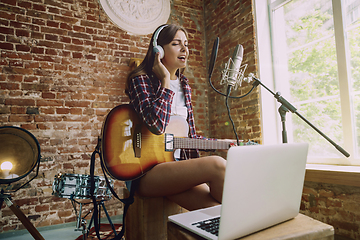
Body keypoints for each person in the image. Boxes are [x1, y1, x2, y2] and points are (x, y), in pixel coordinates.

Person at [125, 24, 227, 211]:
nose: (184, 49)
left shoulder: (185, 85)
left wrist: (221, 143)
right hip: (146, 171)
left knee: (218, 210)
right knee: (217, 164)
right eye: (176, 43)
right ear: (159, 51)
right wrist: (165, 80)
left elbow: (186, 138)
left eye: (186, 44)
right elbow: (156, 125)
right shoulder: (139, 80)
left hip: (178, 167)